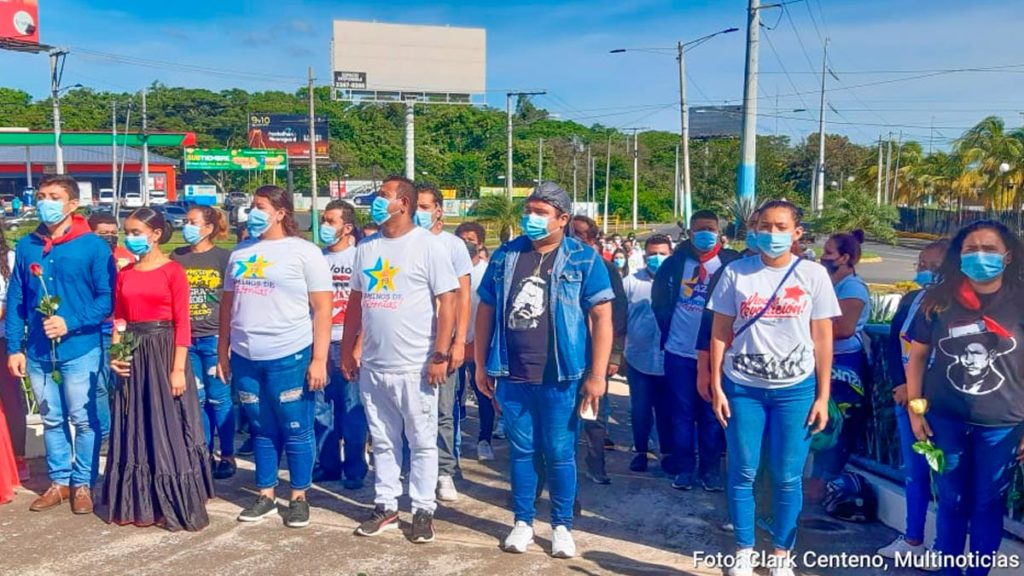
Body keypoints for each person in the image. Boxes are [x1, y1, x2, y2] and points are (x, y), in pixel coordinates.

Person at [476, 182, 614, 559]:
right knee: (521, 452)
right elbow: (486, 308)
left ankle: (562, 526)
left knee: (559, 452)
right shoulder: (506, 255)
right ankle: (522, 522)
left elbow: (602, 317)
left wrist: (597, 375)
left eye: (541, 212)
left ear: (562, 219)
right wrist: (480, 363)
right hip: (512, 372)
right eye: (529, 210)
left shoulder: (583, 258)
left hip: (562, 375)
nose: (531, 218)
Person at [707, 200, 840, 576]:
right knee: (743, 471)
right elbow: (720, 331)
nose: (772, 233)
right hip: (743, 389)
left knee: (786, 476)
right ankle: (745, 549)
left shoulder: (813, 275)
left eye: (781, 226)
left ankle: (782, 554)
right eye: (764, 225)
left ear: (797, 233)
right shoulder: (737, 272)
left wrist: (823, 396)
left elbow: (823, 339)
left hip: (795, 391)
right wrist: (717, 384)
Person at [340, 175, 458, 544]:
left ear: (403, 204)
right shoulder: (367, 247)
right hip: (375, 365)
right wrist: (348, 349)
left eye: (383, 196)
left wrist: (440, 353)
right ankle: (386, 503)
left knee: (422, 441)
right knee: (383, 440)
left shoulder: (428, 246)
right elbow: (356, 302)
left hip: (416, 365)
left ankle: (422, 509)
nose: (377, 201)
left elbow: (449, 301)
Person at [905, 220, 1024, 576]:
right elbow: (917, 358)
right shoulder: (938, 299)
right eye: (971, 249)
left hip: (1003, 425)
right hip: (946, 420)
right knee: (952, 503)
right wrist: (915, 409)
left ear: (1007, 256)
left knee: (988, 505)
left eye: (989, 249)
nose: (980, 256)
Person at [218, 185, 333, 529]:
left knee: (295, 428)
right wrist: (224, 351)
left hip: (290, 354)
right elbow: (227, 306)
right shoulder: (240, 252)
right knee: (260, 428)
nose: (252, 212)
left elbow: (323, 307)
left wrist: (319, 359)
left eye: (259, 206)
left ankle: (298, 497)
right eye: (252, 206)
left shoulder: (304, 252)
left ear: (281, 213)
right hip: (245, 355)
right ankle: (265, 494)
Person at [5, 175, 114, 514]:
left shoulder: (93, 245)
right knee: (52, 419)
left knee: (83, 419)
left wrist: (72, 320)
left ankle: (83, 483)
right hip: (37, 351)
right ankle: (59, 482)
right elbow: (17, 299)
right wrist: (14, 347)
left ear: (72, 205)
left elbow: (106, 299)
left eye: (54, 196)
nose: (45, 202)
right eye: (41, 195)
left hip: (80, 348)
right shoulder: (27, 245)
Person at [102, 208, 213, 530]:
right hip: (133, 354)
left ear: (155, 233)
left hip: (164, 350)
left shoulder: (173, 271)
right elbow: (119, 319)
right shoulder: (125, 274)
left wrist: (179, 369)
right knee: (135, 422)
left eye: (136, 231)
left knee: (167, 425)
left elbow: (183, 323)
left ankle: (173, 498)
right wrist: (116, 353)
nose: (130, 237)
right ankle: (139, 499)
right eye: (127, 231)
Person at [652, 209, 740, 490]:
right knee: (681, 413)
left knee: (713, 414)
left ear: (718, 232)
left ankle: (710, 470)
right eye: (699, 228)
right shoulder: (675, 264)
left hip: (717, 354)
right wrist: (669, 331)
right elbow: (659, 301)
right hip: (679, 352)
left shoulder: (731, 264)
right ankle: (684, 467)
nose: (705, 233)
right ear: (690, 233)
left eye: (710, 228)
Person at [876, 239, 948, 561]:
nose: (926, 273)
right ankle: (913, 538)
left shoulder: (953, 306)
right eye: (922, 265)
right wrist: (900, 385)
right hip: (907, 401)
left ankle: (945, 549)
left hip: (940, 406)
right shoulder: (910, 300)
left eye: (935, 267)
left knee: (945, 476)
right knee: (915, 472)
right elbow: (894, 343)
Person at [414, 184, 473, 503]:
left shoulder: (452, 246)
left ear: (439, 210)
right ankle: (414, 469)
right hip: (409, 342)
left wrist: (459, 340)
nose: (419, 213)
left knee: (442, 412)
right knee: (410, 413)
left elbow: (463, 296)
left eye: (425, 207)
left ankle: (445, 472)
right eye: (415, 207)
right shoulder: (404, 242)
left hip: (443, 341)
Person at [170, 206, 235, 480]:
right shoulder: (177, 257)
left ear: (208, 228)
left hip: (215, 338)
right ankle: (203, 452)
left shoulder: (223, 258)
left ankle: (227, 454)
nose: (188, 227)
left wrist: (229, 342)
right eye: (186, 222)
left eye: (193, 222)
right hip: (186, 340)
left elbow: (232, 301)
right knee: (195, 400)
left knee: (219, 398)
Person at [808, 231, 872, 498]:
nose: (823, 257)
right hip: (827, 360)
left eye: (830, 253)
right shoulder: (831, 284)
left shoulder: (853, 288)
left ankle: (822, 483)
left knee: (837, 423)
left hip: (844, 366)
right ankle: (816, 481)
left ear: (846, 257)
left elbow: (843, 328)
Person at [313, 199, 368, 489]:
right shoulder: (316, 258)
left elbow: (369, 307)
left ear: (347, 227)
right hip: (321, 345)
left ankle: (356, 468)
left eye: (330, 221)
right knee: (321, 410)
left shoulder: (361, 257)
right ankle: (328, 464)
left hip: (349, 344)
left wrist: (356, 347)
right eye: (323, 219)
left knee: (352, 409)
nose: (324, 225)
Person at [570, 215, 626, 485]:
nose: (575, 238)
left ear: (591, 238)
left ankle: (596, 464)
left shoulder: (605, 268)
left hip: (596, 357)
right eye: (572, 233)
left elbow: (618, 315)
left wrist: (613, 355)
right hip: (566, 355)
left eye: (581, 233)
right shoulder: (559, 265)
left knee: (595, 416)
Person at [623, 234, 672, 473]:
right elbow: (618, 319)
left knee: (666, 410)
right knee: (640, 409)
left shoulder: (678, 282)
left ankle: (667, 453)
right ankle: (641, 451)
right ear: (644, 255)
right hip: (638, 358)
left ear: (670, 255)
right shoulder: (631, 282)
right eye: (652, 253)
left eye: (662, 253)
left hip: (668, 359)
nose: (657, 258)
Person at [455, 221, 494, 461]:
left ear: (479, 244)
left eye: (470, 239)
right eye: (461, 238)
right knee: (454, 396)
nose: (465, 243)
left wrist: (477, 344)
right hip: (454, 343)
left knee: (484, 394)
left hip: (481, 345)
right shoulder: (449, 269)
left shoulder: (488, 273)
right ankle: (453, 443)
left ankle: (485, 439)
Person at [0, 224, 21, 503]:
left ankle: (16, 456)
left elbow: (14, 301)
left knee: (11, 401)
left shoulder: (11, 258)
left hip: (4, 339)